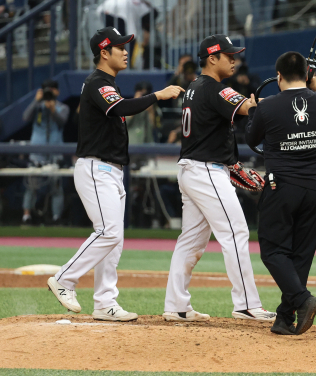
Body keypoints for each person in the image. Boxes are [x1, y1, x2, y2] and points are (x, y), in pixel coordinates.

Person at [46, 27, 184, 320]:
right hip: (96, 168)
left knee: (115, 240)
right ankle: (64, 279)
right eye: (120, 47)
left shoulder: (106, 83)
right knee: (108, 233)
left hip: (110, 170)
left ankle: (105, 303)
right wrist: (157, 95)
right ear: (104, 52)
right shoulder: (97, 82)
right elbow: (121, 107)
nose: (125, 51)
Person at [162, 34, 276, 323]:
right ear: (212, 58)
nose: (234, 59)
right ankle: (246, 304)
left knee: (190, 241)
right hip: (205, 170)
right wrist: (287, 99)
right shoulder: (215, 88)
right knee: (235, 232)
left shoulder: (194, 87)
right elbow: (250, 108)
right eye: (228, 55)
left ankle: (176, 305)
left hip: (193, 168)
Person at [245, 51, 316, 335]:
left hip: (282, 185)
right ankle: (284, 318)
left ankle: (303, 300)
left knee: (272, 249)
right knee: (301, 253)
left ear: (278, 76)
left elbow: (251, 139)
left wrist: (254, 110)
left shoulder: (268, 107)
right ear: (306, 75)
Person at [21, 79, 70, 225]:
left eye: (52, 90)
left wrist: (52, 110)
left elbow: (62, 121)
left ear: (57, 91)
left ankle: (56, 217)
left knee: (56, 187)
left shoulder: (62, 107)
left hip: (55, 152)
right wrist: (36, 102)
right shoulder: (37, 106)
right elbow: (25, 117)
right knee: (31, 186)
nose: (49, 93)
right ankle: (26, 216)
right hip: (37, 151)